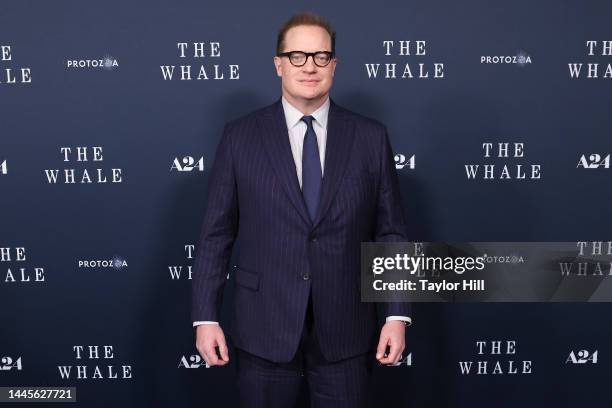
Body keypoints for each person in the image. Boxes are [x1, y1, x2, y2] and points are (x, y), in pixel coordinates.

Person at [192, 12, 411, 408]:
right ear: (278, 64)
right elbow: (216, 235)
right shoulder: (240, 137)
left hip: (346, 332)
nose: (309, 66)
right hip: (264, 329)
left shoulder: (370, 137)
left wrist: (397, 315)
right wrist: (205, 318)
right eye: (297, 56)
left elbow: (390, 233)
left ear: (334, 65)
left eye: (321, 56)